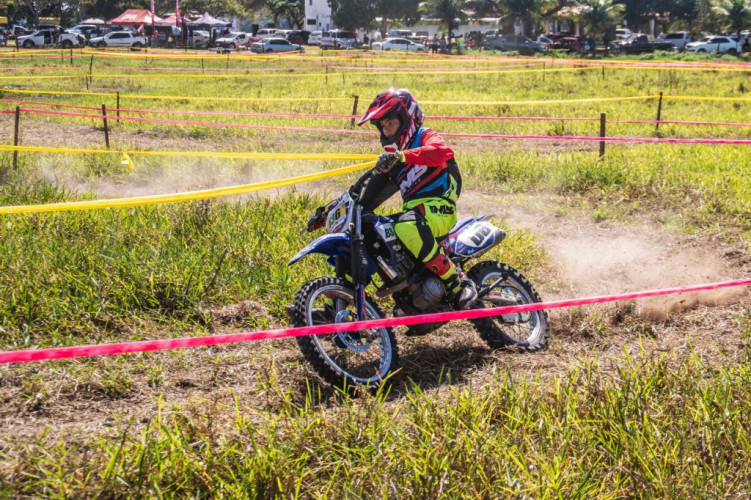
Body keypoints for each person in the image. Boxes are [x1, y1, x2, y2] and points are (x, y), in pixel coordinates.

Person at [353, 89, 478, 309]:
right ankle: (410, 287)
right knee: (374, 228)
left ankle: (457, 280)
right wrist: (334, 208)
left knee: (407, 225)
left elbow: (441, 152)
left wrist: (402, 156)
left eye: (390, 123)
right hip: (416, 213)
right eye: (383, 126)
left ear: (406, 118)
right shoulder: (394, 161)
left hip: (440, 208)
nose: (387, 130)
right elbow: (367, 193)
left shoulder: (424, 135)